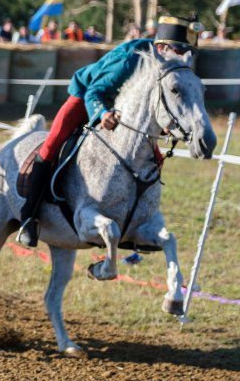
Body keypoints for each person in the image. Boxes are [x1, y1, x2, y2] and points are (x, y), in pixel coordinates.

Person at [16, 15, 197, 248]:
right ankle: (29, 217)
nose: (183, 58)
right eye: (178, 51)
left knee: (156, 158)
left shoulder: (168, 68)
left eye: (186, 52)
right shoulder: (131, 59)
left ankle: (134, 221)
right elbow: (95, 92)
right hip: (87, 96)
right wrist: (102, 115)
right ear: (161, 48)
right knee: (52, 144)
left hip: (124, 109)